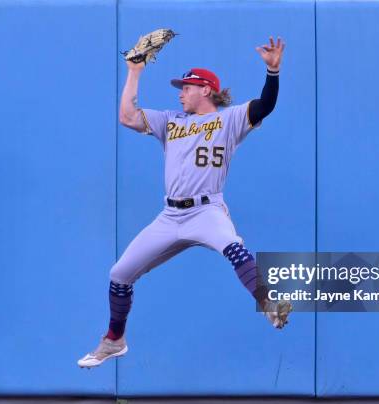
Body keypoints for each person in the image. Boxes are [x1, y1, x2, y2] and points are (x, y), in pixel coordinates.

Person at [78, 36, 290, 368]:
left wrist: (272, 72)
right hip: (170, 215)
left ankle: (268, 304)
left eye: (187, 87)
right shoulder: (170, 120)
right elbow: (126, 116)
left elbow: (265, 105)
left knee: (232, 245)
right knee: (119, 274)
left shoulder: (230, 119)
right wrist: (134, 72)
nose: (180, 92)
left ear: (206, 90)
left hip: (207, 209)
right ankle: (114, 339)